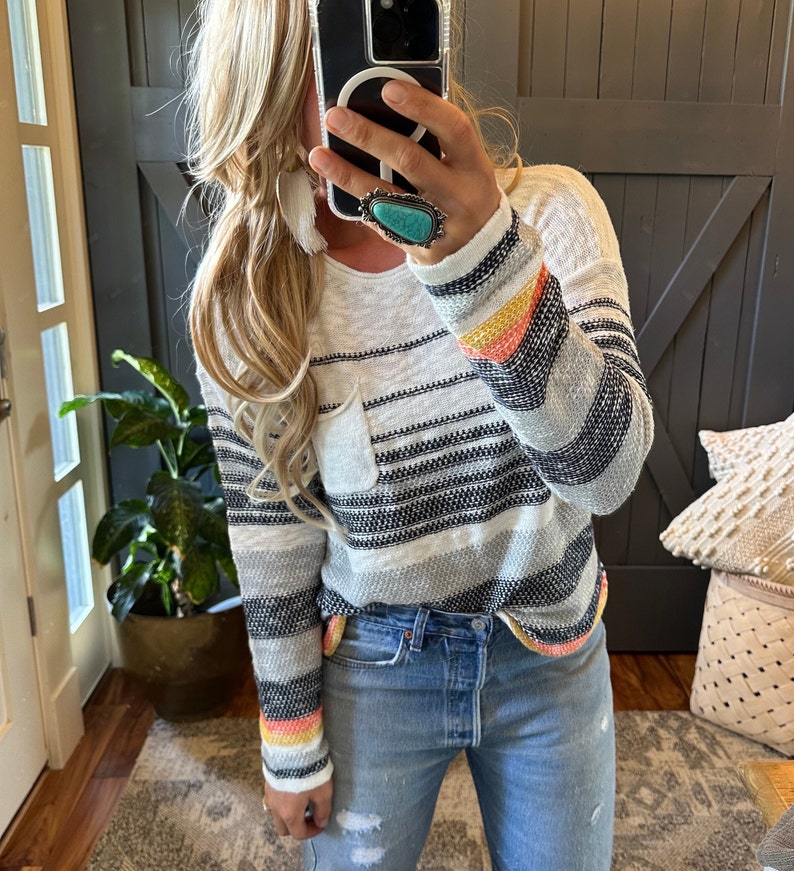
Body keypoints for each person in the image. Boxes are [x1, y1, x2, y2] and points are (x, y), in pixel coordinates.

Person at [187, 1, 654, 869]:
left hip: (548, 654)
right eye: (336, 46)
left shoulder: (551, 214)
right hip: (372, 666)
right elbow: (271, 535)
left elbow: (607, 473)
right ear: (269, 76)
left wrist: (483, 266)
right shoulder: (254, 295)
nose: (373, 86)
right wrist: (289, 739)